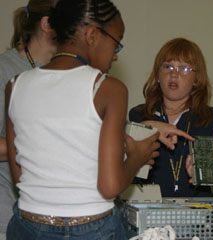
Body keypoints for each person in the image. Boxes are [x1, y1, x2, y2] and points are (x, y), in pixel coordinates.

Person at [5, 0, 160, 239]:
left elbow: (20, 176)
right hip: (91, 227)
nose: (116, 56)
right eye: (116, 44)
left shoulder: (14, 85)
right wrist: (137, 156)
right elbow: (109, 186)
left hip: (28, 225)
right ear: (92, 35)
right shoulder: (109, 88)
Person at [129, 38, 213, 198]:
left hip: (197, 215)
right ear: (157, 75)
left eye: (184, 68)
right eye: (167, 66)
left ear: (197, 79)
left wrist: (208, 174)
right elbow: (124, 168)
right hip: (149, 210)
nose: (174, 74)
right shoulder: (139, 115)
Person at [0, 1, 58, 239]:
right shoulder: (5, 69)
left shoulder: (72, 72)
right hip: (9, 220)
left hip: (57, 223)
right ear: (47, 24)